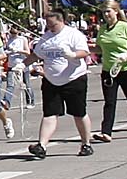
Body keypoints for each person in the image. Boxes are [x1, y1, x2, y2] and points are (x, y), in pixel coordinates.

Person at [27, 10, 94, 158]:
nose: (50, 27)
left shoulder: (73, 34)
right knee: (49, 113)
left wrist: (72, 55)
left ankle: (86, 143)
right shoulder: (46, 37)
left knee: (79, 113)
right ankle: (42, 146)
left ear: (61, 20)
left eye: (53, 24)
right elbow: (36, 54)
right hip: (51, 80)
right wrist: (21, 65)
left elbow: (85, 52)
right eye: (48, 24)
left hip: (73, 78)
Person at [94, 2, 127, 142]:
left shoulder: (125, 27)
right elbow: (100, 48)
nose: (106, 15)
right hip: (109, 70)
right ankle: (106, 132)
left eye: (109, 11)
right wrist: (83, 49)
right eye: (104, 12)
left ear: (116, 12)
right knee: (109, 101)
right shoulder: (103, 29)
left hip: (126, 69)